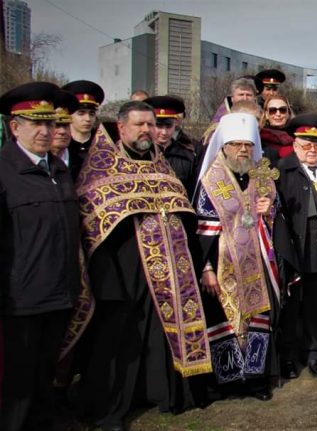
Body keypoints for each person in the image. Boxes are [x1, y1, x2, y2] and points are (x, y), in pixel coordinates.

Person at [75, 101, 212, 429]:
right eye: (139, 125)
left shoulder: (162, 166)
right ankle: (110, 408)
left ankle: (162, 393)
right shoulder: (101, 166)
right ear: (121, 128)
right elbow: (91, 221)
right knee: (119, 340)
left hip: (166, 268)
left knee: (158, 334)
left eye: (151, 125)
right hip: (121, 269)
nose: (147, 131)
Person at [0, 82, 82, 431]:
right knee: (16, 382)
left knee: (45, 373)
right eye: (37, 123)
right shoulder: (4, 172)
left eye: (51, 123)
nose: (46, 131)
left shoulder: (59, 171)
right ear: (14, 126)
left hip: (60, 293)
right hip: (20, 299)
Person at [195, 112, 280, 400]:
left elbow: (275, 217)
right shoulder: (211, 180)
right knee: (226, 321)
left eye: (247, 145)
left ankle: (256, 380)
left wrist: (269, 209)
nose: (243, 150)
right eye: (236, 145)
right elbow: (203, 230)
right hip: (223, 266)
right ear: (224, 146)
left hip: (257, 262)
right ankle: (229, 382)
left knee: (258, 319)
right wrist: (206, 268)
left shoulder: (262, 176)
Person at [275, 113, 317, 380]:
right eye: (306, 144)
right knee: (291, 309)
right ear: (294, 145)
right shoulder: (281, 171)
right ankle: (288, 357)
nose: (312, 150)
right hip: (294, 250)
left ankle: (316, 355)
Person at [145, 95, 202, 199]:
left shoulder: (189, 153)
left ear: (175, 124)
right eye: (159, 126)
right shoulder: (141, 153)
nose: (164, 132)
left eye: (168, 126)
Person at [203, 77, 262, 145]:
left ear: (254, 98)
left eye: (249, 95)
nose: (245, 98)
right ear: (232, 98)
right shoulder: (221, 120)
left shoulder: (262, 118)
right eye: (241, 94)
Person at [61, 80, 104, 162]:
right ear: (69, 114)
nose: (88, 119)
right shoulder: (62, 142)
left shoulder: (102, 142)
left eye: (91, 114)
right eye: (81, 113)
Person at [50, 89, 79, 174]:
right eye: (56, 125)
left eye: (66, 125)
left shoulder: (83, 162)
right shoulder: (33, 162)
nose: (62, 131)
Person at [259, 95, 295, 159]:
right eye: (272, 110)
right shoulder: (259, 138)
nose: (278, 114)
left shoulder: (298, 138)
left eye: (282, 110)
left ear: (288, 113)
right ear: (266, 114)